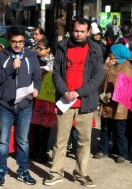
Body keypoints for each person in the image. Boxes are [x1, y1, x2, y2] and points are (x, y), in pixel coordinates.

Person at [44, 17, 104, 188]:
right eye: (76, 31)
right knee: (60, 141)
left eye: (82, 31)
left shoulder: (96, 49)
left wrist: (78, 92)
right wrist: (65, 92)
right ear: (72, 30)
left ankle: (81, 174)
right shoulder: (62, 47)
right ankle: (56, 173)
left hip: (85, 102)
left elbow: (98, 76)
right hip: (65, 101)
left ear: (88, 32)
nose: (79, 34)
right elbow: (56, 73)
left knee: (84, 142)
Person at [0, 26, 41, 186]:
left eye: (20, 42)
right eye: (14, 42)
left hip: (25, 105)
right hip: (5, 106)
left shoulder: (31, 56)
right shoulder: (1, 57)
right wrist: (12, 66)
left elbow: (37, 78)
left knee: (23, 141)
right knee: (3, 141)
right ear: (9, 42)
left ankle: (23, 171)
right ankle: (1, 170)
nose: (18, 45)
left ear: (24, 41)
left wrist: (36, 90)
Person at [94, 44, 132, 163]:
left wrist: (113, 93)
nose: (109, 54)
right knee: (105, 128)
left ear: (118, 53)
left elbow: (126, 86)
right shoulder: (112, 64)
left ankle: (122, 153)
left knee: (120, 130)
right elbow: (101, 77)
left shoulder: (126, 66)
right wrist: (106, 66)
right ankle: (103, 150)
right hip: (107, 101)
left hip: (120, 104)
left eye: (112, 52)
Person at [30, 38, 55, 163]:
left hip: (49, 98)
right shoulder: (35, 60)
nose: (38, 51)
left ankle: (43, 151)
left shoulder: (55, 62)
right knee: (35, 125)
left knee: (46, 126)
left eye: (41, 49)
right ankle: (34, 150)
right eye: (37, 48)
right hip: (36, 97)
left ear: (48, 49)